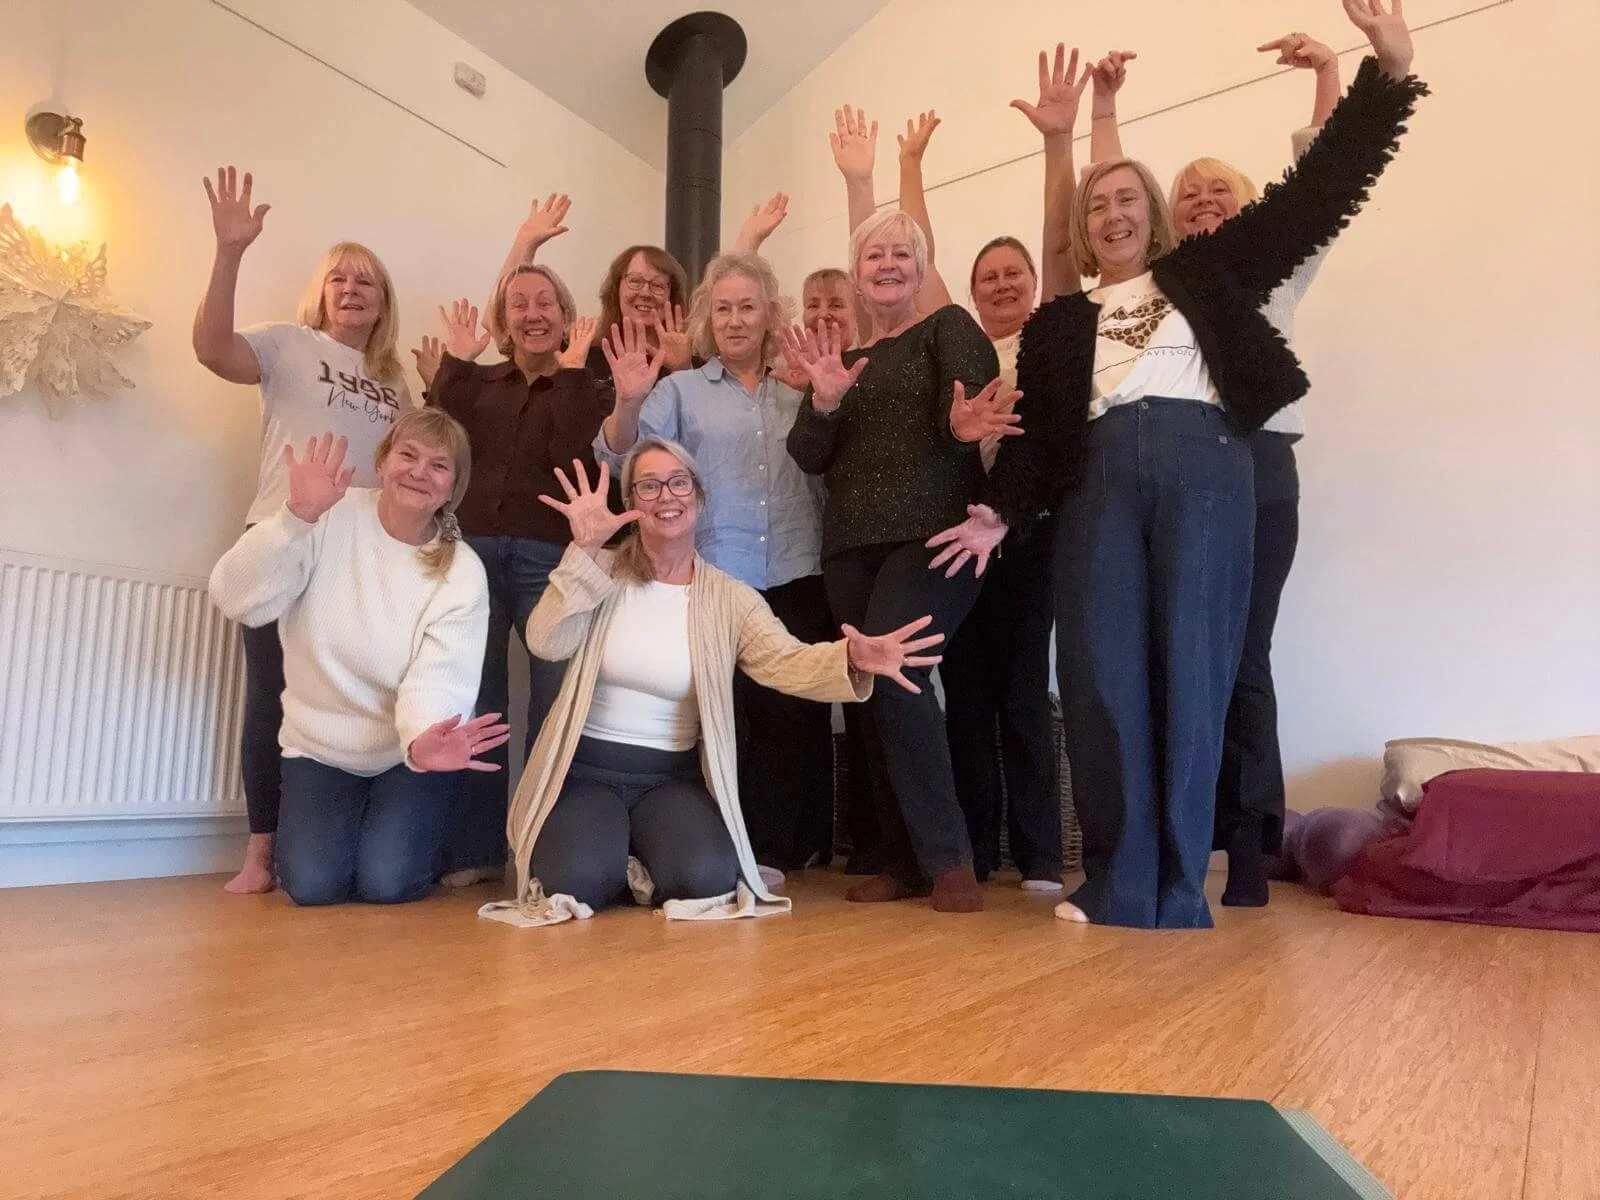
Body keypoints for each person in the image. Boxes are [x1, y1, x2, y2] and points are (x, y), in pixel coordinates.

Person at [936, 0, 1426, 928]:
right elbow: (1042, 438)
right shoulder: (1062, 323)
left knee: (1195, 669)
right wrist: (998, 511)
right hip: (1095, 485)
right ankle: (1120, 881)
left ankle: (1176, 890)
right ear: (1081, 230)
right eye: (1096, 205)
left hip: (1207, 469)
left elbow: (1320, 191)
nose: (1113, 213)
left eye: (1128, 199)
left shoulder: (1211, 271)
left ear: (1152, 215)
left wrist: (1388, 72)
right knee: (1097, 675)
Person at [1088, 30, 1346, 907]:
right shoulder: (1165, 287)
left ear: (1244, 205)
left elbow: (1318, 190)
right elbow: (1101, 215)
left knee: (1240, 658)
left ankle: (1249, 849)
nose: (1202, 203)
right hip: (1169, 467)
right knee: (1169, 659)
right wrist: (1105, 107)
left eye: (1218, 193)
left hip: (1260, 469)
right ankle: (1179, 844)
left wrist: (1328, 77)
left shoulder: (1271, 268)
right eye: (1189, 194)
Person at [484, 447, 942, 925]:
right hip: (586, 774)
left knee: (704, 878)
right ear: (631, 503)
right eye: (649, 485)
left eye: (679, 482)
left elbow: (783, 661)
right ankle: (614, 851)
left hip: (669, 778)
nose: (666, 495)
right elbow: (545, 641)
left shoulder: (730, 598)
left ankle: (637, 849)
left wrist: (850, 656)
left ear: (699, 499)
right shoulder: (601, 572)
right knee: (577, 881)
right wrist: (583, 554)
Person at [784, 208, 1022, 913]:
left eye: (899, 254)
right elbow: (807, 455)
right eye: (872, 257)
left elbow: (974, 407)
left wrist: (958, 430)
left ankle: (949, 858)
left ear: (920, 267)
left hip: (934, 539)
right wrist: (823, 400)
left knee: (898, 674)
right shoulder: (847, 359)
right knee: (865, 691)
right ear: (857, 278)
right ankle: (900, 856)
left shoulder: (947, 328)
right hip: (850, 547)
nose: (886, 265)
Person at [193, 166, 412, 895]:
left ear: (384, 304)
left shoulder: (394, 384)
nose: (351, 291)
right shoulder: (288, 345)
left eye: (366, 282)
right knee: (272, 690)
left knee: (344, 689)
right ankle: (261, 849)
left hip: (357, 559)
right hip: (284, 537)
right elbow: (212, 350)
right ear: (321, 295)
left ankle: (334, 840)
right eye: (339, 280)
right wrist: (229, 254)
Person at [592, 253, 834, 871]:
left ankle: (787, 845)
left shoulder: (797, 388)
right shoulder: (678, 390)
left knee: (794, 712)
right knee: (727, 717)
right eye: (722, 308)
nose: (734, 319)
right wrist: (626, 400)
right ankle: (727, 843)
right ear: (706, 318)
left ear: (769, 315)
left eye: (747, 306)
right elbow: (623, 460)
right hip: (718, 576)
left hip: (797, 566)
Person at [208, 411, 501, 906]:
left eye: (438, 465)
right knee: (313, 887)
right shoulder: (326, 521)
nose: (419, 471)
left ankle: (405, 818)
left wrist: (422, 741)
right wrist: (293, 519)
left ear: (453, 487)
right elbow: (237, 599)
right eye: (407, 455)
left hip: (408, 753)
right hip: (320, 747)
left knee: (386, 884)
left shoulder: (463, 569)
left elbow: (441, 674)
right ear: (382, 463)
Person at [935, 45, 1090, 891]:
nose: (1001, 285)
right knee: (966, 693)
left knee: (1026, 694)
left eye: (1014, 274)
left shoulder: (1055, 340)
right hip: (961, 538)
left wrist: (1057, 144)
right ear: (972, 289)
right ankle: (980, 849)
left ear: (1034, 281)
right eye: (987, 277)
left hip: (1028, 538)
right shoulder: (956, 346)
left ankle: (1038, 854)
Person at [413, 265, 607, 887]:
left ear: (564, 314)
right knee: (477, 696)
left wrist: (574, 375)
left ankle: (541, 846)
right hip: (470, 552)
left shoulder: (585, 385)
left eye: (546, 301)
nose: (533, 313)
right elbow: (436, 441)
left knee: (553, 699)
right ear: (504, 321)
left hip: (548, 554)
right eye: (519, 303)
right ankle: (473, 849)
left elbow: (578, 457)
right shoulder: (476, 381)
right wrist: (455, 365)